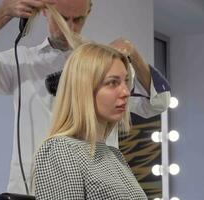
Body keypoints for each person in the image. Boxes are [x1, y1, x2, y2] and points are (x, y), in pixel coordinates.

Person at [0, 0, 171, 194]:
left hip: (95, 188)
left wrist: (134, 54)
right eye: (63, 18)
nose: (69, 28)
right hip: (32, 190)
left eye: (78, 19)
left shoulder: (105, 68)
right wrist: (3, 13)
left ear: (89, 12)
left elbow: (157, 102)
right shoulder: (21, 62)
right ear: (45, 10)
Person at [35, 42, 147, 199]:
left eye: (125, 82)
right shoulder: (61, 149)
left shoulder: (114, 155)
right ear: (84, 89)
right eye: (112, 82)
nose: (125, 92)